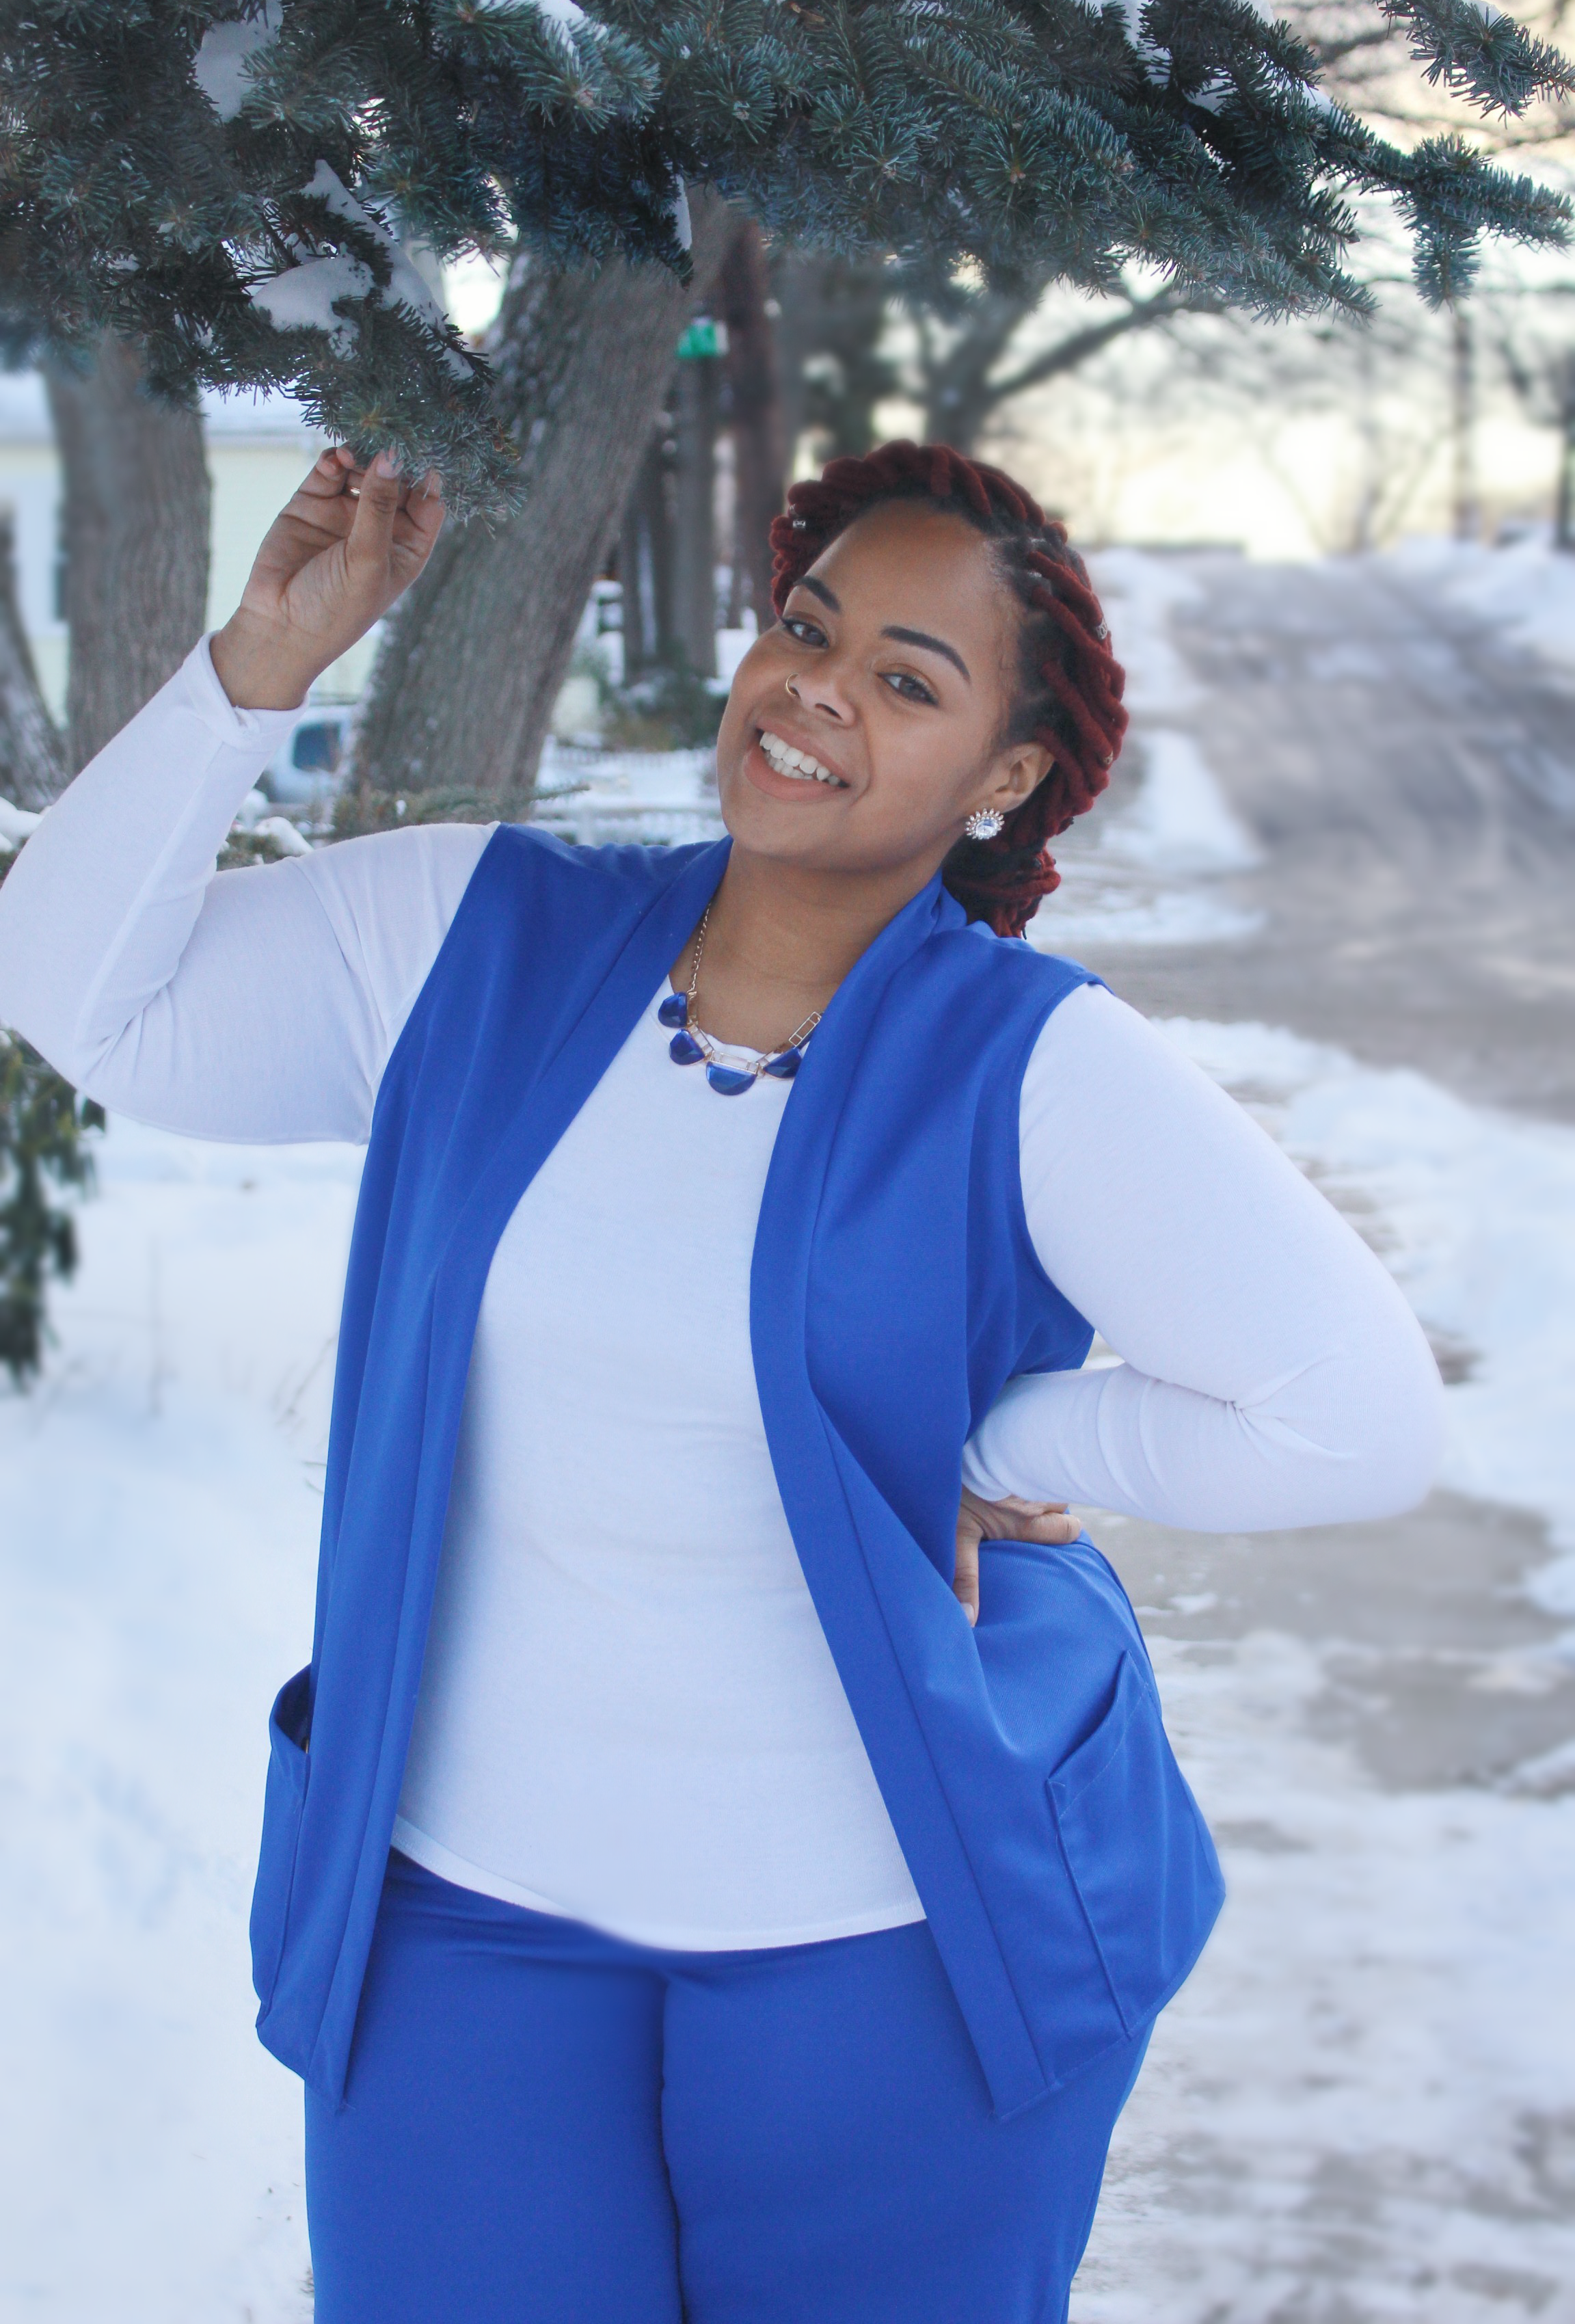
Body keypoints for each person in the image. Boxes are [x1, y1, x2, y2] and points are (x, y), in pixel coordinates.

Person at [0, 438, 1444, 2323]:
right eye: (806, 628)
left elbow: (1358, 1418)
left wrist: (1000, 1435)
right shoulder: (471, 939)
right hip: (461, 1941)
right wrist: (261, 663)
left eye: (909, 680)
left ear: (1006, 777)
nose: (817, 690)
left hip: (889, 1973)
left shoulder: (1030, 1065)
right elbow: (74, 991)